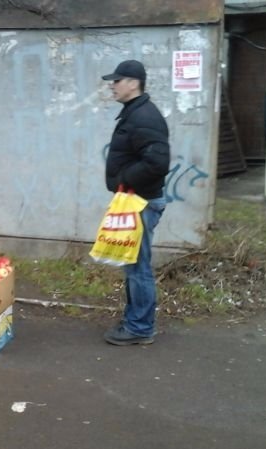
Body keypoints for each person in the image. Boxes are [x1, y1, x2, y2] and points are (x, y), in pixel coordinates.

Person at [100, 59, 170, 346]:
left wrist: (124, 179)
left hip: (141, 202)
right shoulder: (135, 113)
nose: (112, 86)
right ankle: (135, 321)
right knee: (132, 265)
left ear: (133, 83)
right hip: (135, 200)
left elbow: (158, 163)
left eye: (117, 81)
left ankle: (140, 328)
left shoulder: (144, 117)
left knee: (138, 267)